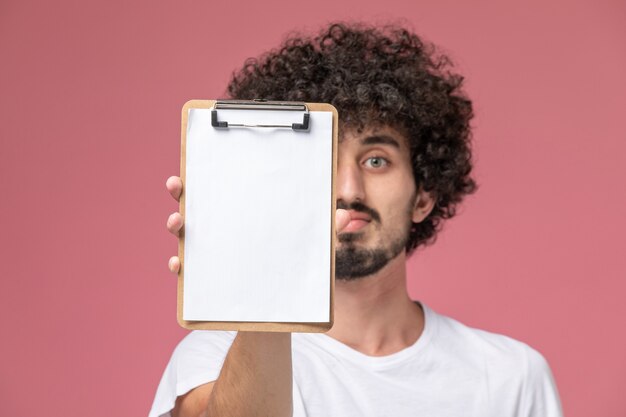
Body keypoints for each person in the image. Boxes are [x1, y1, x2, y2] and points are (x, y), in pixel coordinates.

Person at [150, 22, 562, 417]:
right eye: (324, 160)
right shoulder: (213, 357)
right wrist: (267, 267)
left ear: (424, 195)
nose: (349, 190)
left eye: (376, 160)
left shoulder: (513, 377)